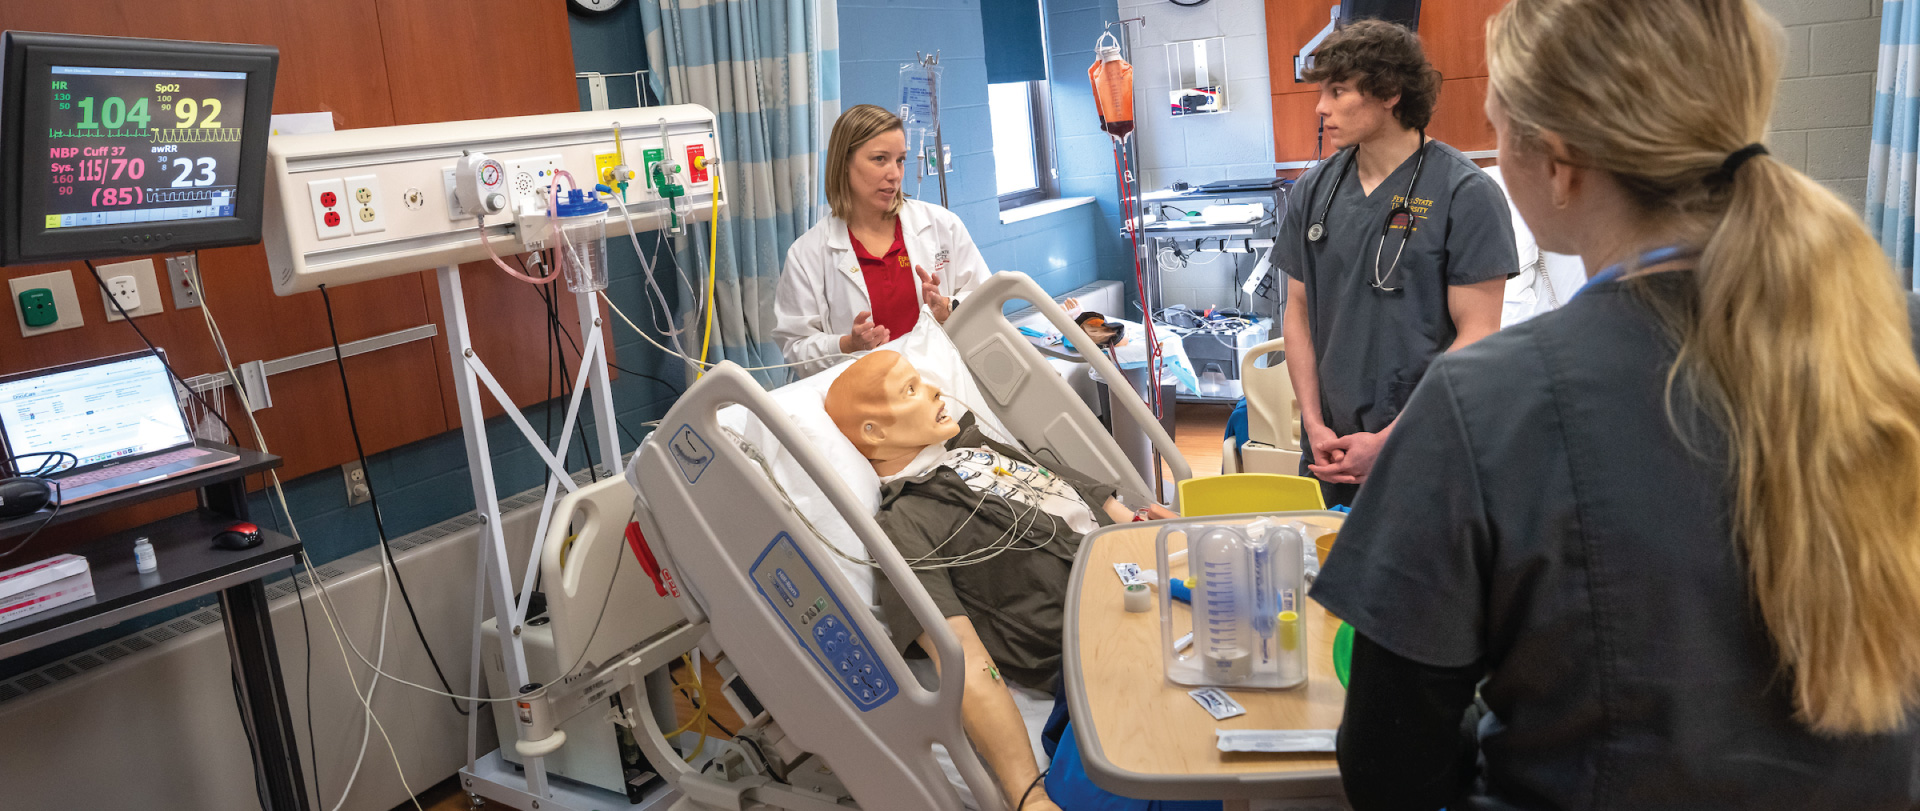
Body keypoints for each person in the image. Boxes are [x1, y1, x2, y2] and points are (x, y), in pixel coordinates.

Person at [1310, 1, 1920, 808]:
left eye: (1499, 127)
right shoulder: (1889, 345)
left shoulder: (1484, 405)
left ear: (1557, 164)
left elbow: (1390, 765)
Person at [821, 349, 1175, 811]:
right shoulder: (906, 524)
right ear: (874, 432)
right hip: (1112, 652)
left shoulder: (976, 449)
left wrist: (1149, 528)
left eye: (922, 379)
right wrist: (1028, 794)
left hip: (1154, 581)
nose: (932, 388)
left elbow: (1072, 491)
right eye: (910, 389)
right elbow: (962, 659)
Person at [1278, 20, 1517, 506]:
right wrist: (1313, 423)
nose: (1321, 107)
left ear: (1388, 91)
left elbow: (1477, 334)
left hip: (1426, 440)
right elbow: (1297, 311)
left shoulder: (1466, 194)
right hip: (1329, 448)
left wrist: (1389, 440)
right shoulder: (1313, 191)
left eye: (1338, 90)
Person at [775, 105, 993, 377]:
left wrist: (948, 308)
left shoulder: (941, 225)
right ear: (844, 164)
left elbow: (987, 301)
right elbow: (795, 347)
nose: (895, 174)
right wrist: (847, 344)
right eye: (880, 159)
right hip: (868, 400)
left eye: (900, 160)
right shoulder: (808, 254)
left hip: (943, 384)